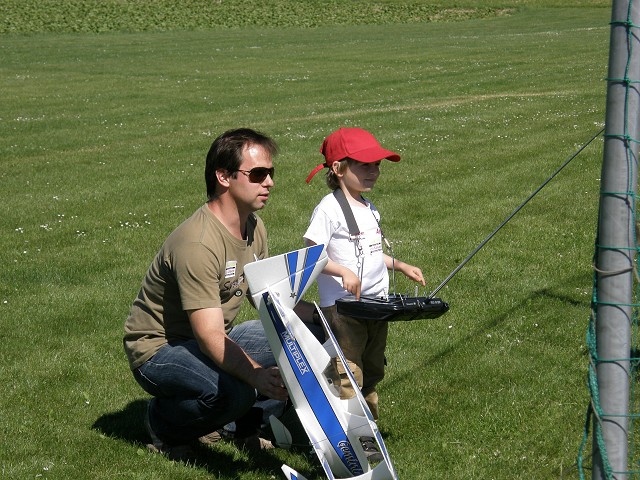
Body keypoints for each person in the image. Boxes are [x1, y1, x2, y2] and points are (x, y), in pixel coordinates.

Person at [124, 128, 303, 461]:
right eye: (258, 174)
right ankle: (162, 423)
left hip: (210, 335)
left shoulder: (253, 226)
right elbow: (208, 337)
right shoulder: (198, 243)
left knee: (293, 341)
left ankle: (240, 427)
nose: (270, 183)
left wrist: (326, 318)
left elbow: (266, 297)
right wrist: (255, 375)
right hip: (160, 348)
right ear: (224, 176)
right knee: (236, 391)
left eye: (271, 173)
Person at [303, 127, 426, 421]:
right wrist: (340, 271)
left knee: (373, 366)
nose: (374, 171)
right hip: (345, 307)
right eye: (364, 165)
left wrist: (400, 265)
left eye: (377, 165)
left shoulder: (369, 208)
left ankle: (366, 417)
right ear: (338, 168)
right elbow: (311, 254)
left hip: (374, 304)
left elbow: (369, 254)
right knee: (348, 366)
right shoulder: (329, 209)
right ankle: (343, 420)